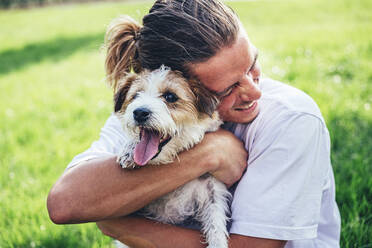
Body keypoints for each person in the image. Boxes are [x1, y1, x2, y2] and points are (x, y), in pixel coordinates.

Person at [47, 0, 341, 247]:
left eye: (252, 65)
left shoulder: (292, 120)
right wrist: (208, 153)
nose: (255, 91)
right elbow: (63, 204)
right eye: (228, 88)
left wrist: (121, 225)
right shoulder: (149, 111)